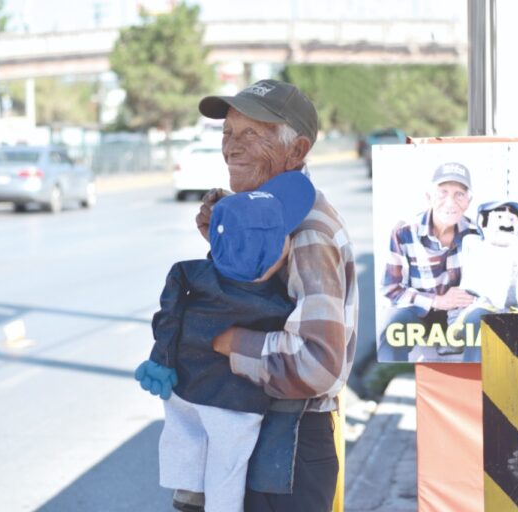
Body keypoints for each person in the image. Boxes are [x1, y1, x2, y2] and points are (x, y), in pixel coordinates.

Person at [192, 79, 358, 512]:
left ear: (297, 151)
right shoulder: (257, 218)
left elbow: (318, 364)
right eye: (228, 133)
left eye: (252, 134)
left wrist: (225, 342)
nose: (232, 147)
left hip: (289, 450)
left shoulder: (307, 232)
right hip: (262, 440)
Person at [134, 171, 316, 512]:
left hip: (184, 383)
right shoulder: (279, 302)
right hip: (234, 400)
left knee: (184, 432)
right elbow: (295, 345)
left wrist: (161, 359)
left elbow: (168, 315)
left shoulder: (192, 273)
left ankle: (188, 491)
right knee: (228, 467)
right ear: (277, 249)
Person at [377, 162, 477, 362]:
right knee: (392, 326)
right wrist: (436, 301)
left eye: (459, 194)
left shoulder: (477, 234)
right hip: (420, 312)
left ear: (468, 200)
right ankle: (390, 379)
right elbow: (391, 289)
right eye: (442, 193)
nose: (450, 202)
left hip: (460, 314)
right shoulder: (404, 232)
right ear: (428, 197)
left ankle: (476, 386)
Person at [446, 199, 518, 362]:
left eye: (512, 219)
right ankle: (473, 375)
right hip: (470, 313)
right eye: (499, 217)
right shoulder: (473, 245)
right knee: (482, 318)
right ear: (483, 223)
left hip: (506, 315)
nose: (507, 222)